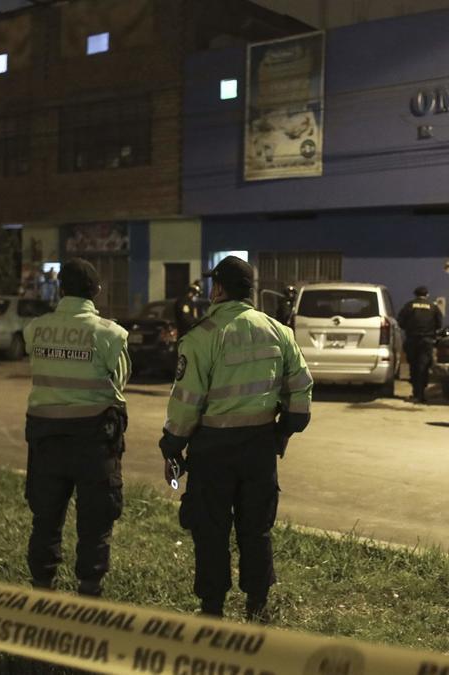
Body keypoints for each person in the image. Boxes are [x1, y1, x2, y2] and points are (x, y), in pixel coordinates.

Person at [159, 255, 313, 622]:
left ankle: (212, 609)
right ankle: (256, 605)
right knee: (256, 528)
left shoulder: (202, 336)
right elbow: (301, 390)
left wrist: (172, 445)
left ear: (219, 289)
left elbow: (186, 402)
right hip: (260, 446)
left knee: (211, 530)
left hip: (212, 450)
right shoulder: (279, 331)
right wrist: (284, 429)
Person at [23, 258, 130, 597]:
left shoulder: (35, 329)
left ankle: (42, 585)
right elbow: (121, 381)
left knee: (46, 517)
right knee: (95, 521)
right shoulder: (111, 334)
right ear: (96, 291)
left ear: (62, 288)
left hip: (46, 439)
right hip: (95, 441)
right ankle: (89, 588)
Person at [397, 286, 443, 403]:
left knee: (413, 366)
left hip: (412, 339)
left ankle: (416, 392)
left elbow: (400, 321)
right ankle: (422, 393)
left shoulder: (409, 306)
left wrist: (409, 328)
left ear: (415, 294)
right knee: (423, 366)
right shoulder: (433, 307)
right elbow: (439, 324)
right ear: (427, 294)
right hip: (427, 340)